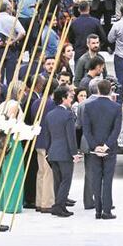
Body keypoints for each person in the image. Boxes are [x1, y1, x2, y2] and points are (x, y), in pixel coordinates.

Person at [81, 79, 121, 219]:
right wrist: (106, 146)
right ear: (110, 90)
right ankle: (106, 210)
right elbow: (116, 130)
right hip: (109, 149)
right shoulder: (116, 107)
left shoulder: (89, 106)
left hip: (94, 149)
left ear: (97, 90)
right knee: (107, 180)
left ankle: (98, 210)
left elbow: (87, 129)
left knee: (96, 179)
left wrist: (95, 146)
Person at [39, 87, 79, 217]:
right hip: (64, 152)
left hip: (53, 152)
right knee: (66, 180)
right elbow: (71, 136)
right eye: (70, 97)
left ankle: (60, 205)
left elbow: (47, 135)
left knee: (58, 180)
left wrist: (47, 152)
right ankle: (58, 206)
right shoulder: (68, 114)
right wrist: (74, 153)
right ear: (63, 98)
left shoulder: (50, 115)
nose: (71, 100)